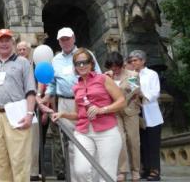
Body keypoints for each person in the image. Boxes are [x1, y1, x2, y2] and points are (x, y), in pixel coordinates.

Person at [51, 48, 125, 182]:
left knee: (106, 174)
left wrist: (103, 109)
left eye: (84, 62)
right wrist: (62, 114)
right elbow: (78, 114)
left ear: (91, 63)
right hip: (83, 131)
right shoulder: (76, 86)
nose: (81, 65)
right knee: (81, 170)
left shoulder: (103, 79)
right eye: (78, 63)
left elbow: (121, 101)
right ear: (74, 67)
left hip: (107, 131)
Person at [0, 29, 37, 182]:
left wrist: (30, 114)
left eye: (7, 40)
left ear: (13, 42)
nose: (4, 43)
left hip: (16, 114)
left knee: (19, 160)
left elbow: (31, 90)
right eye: (0, 40)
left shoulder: (23, 62)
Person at [43, 27, 101, 181]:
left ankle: (92, 178)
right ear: (59, 42)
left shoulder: (86, 55)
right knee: (68, 143)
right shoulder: (55, 60)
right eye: (62, 39)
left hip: (86, 102)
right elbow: (52, 83)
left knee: (90, 140)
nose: (65, 42)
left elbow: (99, 77)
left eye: (68, 38)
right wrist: (46, 95)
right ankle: (74, 178)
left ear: (74, 38)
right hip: (65, 103)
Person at [104, 52, 142, 182]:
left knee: (133, 140)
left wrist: (118, 94)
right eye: (111, 66)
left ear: (121, 64)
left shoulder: (132, 75)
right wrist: (106, 79)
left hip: (130, 110)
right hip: (115, 112)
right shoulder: (106, 77)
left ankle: (136, 170)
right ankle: (122, 170)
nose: (114, 68)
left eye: (116, 66)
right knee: (119, 140)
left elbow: (134, 91)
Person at [128, 50, 163, 181]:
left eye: (135, 60)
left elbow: (156, 92)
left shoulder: (152, 74)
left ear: (143, 61)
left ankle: (155, 171)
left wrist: (143, 95)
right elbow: (131, 92)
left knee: (153, 143)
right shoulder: (131, 76)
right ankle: (145, 168)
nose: (133, 63)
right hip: (137, 112)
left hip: (151, 112)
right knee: (142, 143)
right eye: (131, 61)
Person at [16, 40, 40, 181]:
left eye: (24, 49)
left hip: (33, 105)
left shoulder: (35, 65)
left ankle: (33, 172)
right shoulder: (13, 65)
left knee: (33, 140)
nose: (21, 52)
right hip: (17, 105)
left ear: (29, 51)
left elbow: (41, 84)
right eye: (19, 49)